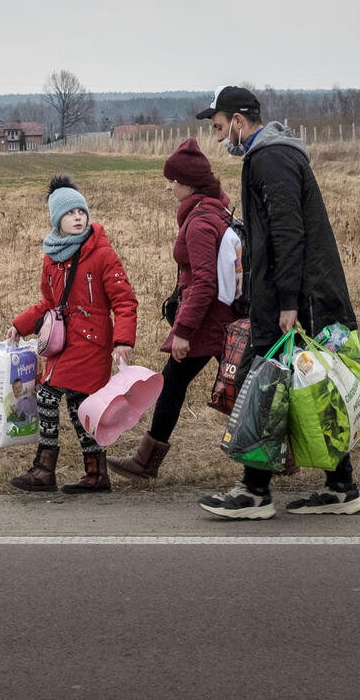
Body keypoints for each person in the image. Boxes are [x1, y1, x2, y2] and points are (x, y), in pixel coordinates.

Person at [196, 86, 360, 517]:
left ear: (238, 121)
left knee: (266, 386)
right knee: (306, 388)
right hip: (297, 293)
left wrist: (288, 302)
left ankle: (254, 493)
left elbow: (289, 233)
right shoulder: (273, 155)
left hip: (298, 299)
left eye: (219, 127)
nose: (218, 139)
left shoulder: (270, 158)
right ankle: (341, 486)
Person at [108, 138, 235, 481]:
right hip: (220, 320)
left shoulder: (200, 222)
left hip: (208, 323)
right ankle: (146, 461)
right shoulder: (215, 209)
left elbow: (205, 282)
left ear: (187, 183)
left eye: (172, 181)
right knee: (232, 388)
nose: (168, 188)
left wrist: (183, 331)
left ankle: (146, 462)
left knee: (228, 390)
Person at [6, 176, 138, 494]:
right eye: (70, 213)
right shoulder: (52, 258)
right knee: (81, 407)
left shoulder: (102, 254)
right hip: (63, 342)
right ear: (57, 220)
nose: (78, 217)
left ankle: (44, 469)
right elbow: (48, 304)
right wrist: (20, 324)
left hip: (92, 343)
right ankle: (96, 474)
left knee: (48, 394)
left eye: (81, 211)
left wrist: (123, 341)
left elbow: (125, 300)